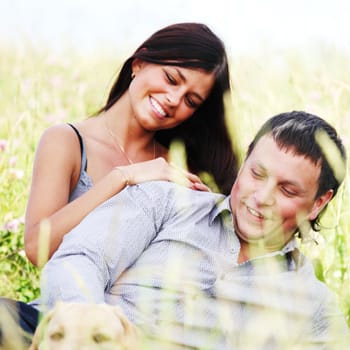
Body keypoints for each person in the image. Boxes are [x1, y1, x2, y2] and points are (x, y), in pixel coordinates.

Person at [2, 111, 349, 348]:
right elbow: (79, 258)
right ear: (245, 162)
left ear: (319, 202)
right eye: (256, 175)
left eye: (287, 190)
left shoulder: (315, 306)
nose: (261, 198)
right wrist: (91, 324)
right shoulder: (165, 201)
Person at [23, 22, 239, 266]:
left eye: (190, 101)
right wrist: (123, 177)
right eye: (171, 79)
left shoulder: (179, 171)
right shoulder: (66, 142)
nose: (173, 99)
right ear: (139, 63)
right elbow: (36, 249)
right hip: (66, 302)